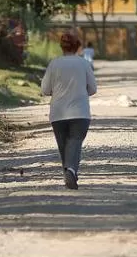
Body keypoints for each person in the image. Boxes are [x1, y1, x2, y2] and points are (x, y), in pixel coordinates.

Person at [41, 32, 97, 189]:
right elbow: (92, 89)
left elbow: (45, 89)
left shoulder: (54, 64)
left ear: (62, 47)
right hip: (80, 112)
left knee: (63, 145)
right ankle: (71, 171)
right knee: (75, 141)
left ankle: (68, 171)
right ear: (77, 46)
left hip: (58, 112)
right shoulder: (84, 64)